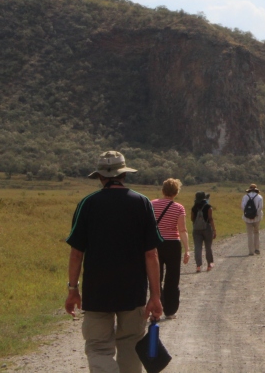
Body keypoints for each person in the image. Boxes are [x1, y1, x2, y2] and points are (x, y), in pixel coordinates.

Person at [64, 151, 164, 373]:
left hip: (96, 291)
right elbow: (151, 255)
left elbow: (76, 254)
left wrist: (73, 290)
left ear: (99, 176)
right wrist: (155, 296)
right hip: (133, 291)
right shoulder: (142, 203)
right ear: (124, 174)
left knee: (99, 348)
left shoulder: (87, 204)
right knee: (130, 345)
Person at [151, 178, 190, 319]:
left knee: (156, 276)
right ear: (176, 192)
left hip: (155, 243)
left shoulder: (151, 204)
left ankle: (156, 308)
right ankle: (170, 310)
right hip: (173, 244)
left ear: (163, 190)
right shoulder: (179, 208)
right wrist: (187, 250)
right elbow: (183, 230)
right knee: (172, 277)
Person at [191, 191, 216, 272]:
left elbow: (192, 218)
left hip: (196, 229)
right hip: (207, 228)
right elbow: (210, 218)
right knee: (208, 247)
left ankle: (198, 266)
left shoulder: (194, 207)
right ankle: (209, 265)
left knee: (197, 247)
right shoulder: (208, 207)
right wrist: (214, 230)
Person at [242, 183, 264, 256]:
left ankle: (251, 251)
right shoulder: (259, 197)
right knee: (256, 232)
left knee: (249, 234)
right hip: (257, 217)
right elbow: (260, 207)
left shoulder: (245, 197)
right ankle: (257, 249)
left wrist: (248, 214)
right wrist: (256, 214)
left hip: (247, 218)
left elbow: (243, 207)